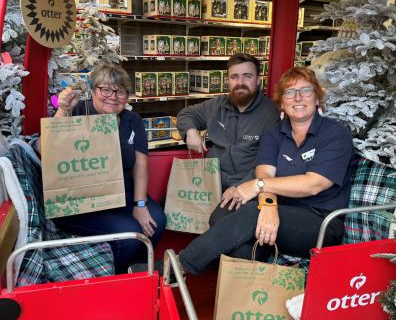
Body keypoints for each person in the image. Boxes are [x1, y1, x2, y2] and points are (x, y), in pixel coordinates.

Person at [176, 66, 354, 275]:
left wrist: (259, 187)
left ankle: (180, 266)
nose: (298, 98)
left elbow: (314, 184)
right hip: (281, 206)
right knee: (224, 213)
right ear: (282, 102)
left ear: (316, 98)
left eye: (305, 91)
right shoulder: (275, 133)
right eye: (289, 92)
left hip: (320, 221)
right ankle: (245, 290)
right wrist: (268, 206)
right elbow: (265, 174)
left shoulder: (335, 134)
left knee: (251, 214)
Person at [51, 63, 166, 273]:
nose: (113, 96)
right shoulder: (76, 110)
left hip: (120, 193)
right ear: (93, 90)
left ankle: (138, 271)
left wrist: (140, 204)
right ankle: (117, 276)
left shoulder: (132, 120)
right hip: (80, 200)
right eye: (105, 89)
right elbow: (47, 149)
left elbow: (140, 164)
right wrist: (62, 110)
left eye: (120, 91)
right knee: (129, 234)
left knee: (156, 221)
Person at [176, 53, 279, 226]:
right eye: (234, 77)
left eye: (247, 76)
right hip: (211, 179)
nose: (240, 82)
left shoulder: (271, 113)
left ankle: (196, 254)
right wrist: (190, 132)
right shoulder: (217, 105)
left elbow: (268, 164)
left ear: (258, 80)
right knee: (170, 205)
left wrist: (240, 187)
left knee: (219, 219)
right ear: (228, 81)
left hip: (247, 185)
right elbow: (186, 114)